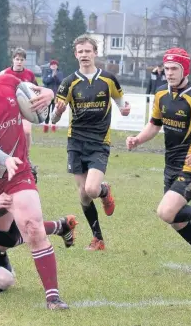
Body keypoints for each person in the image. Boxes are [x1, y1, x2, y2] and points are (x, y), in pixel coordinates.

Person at [0, 50, 69, 310]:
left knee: (32, 226)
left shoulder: (10, 82)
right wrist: (4, 158)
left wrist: (50, 94)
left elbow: (37, 91)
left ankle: (53, 297)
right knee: (1, 240)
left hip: (18, 169)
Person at [126, 47, 191, 275]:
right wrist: (138, 139)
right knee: (176, 220)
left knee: (166, 212)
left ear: (185, 70)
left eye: (175, 68)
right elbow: (154, 125)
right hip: (171, 165)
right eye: (167, 68)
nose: (169, 73)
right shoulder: (161, 94)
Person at [51, 34, 131, 251]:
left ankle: (104, 191)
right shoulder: (68, 83)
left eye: (88, 51)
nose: (84, 55)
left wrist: (125, 109)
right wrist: (57, 113)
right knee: (84, 195)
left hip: (99, 142)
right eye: (80, 51)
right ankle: (98, 239)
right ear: (75, 55)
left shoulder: (108, 79)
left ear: (95, 53)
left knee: (93, 189)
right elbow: (54, 118)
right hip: (76, 142)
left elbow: (122, 105)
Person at [0, 193, 78, 293]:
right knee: (5, 280)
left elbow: (11, 239)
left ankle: (61, 227)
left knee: (8, 276)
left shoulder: (16, 198)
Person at [0, 47, 39, 182]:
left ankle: (26, 157)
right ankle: (5, 160)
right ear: (13, 60)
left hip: (25, 110)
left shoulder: (29, 75)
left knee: (26, 132)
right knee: (8, 136)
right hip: (9, 109)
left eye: (22, 59)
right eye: (17, 59)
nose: (19, 62)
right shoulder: (4, 73)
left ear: (25, 61)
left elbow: (36, 90)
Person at [42, 59, 63, 133]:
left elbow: (61, 82)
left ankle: (53, 125)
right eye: (52, 65)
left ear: (57, 66)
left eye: (55, 65)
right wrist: (51, 76)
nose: (53, 66)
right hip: (47, 95)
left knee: (54, 111)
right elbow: (45, 81)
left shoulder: (59, 73)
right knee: (46, 111)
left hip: (56, 95)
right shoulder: (47, 72)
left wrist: (55, 76)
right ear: (50, 66)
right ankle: (46, 126)